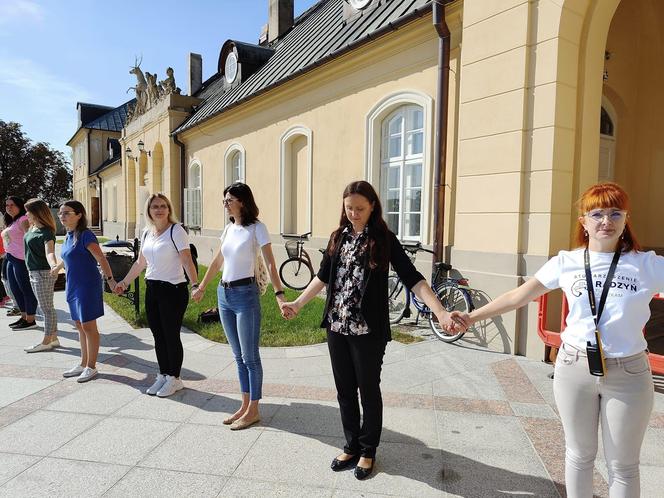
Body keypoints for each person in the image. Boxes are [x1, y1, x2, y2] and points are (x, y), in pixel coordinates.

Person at [448, 182, 664, 497]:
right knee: (579, 455)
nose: (606, 220)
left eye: (615, 213)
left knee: (624, 465)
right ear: (584, 222)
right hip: (574, 368)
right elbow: (518, 296)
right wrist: (472, 317)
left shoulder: (646, 264)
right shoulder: (567, 261)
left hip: (628, 373)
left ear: (626, 218)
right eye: (597, 213)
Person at [281, 180, 456, 480]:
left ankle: (368, 450)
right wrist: (297, 303)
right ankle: (351, 445)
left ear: (373, 206)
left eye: (360, 208)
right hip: (337, 327)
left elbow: (413, 277)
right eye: (349, 208)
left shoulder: (383, 238)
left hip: (368, 332)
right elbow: (323, 277)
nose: (354, 213)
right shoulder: (339, 237)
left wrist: (438, 310)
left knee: (368, 391)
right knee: (344, 391)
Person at [192, 182, 287, 430]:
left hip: (246, 295)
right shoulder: (228, 229)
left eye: (229, 199)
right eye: (224, 199)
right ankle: (244, 405)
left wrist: (279, 294)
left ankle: (254, 410)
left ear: (242, 201)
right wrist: (202, 286)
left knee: (250, 357)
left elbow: (271, 263)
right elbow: (216, 262)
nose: (225, 203)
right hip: (224, 294)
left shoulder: (258, 229)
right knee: (237, 356)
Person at [115, 193, 198, 397]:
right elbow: (140, 263)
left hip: (173, 290)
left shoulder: (176, 231)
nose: (159, 210)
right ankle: (163, 374)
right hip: (152, 288)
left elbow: (187, 260)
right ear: (149, 211)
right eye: (155, 207)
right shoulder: (146, 233)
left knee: (171, 335)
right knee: (158, 335)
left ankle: (175, 378)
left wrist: (195, 284)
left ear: (169, 209)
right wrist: (124, 282)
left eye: (163, 206)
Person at [51, 201, 116, 383]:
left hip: (87, 285)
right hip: (72, 285)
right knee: (79, 325)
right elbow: (69, 256)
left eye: (66, 213)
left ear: (79, 215)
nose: (62, 216)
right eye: (60, 214)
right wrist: (57, 268)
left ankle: (91, 366)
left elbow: (101, 259)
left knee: (88, 326)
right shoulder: (69, 235)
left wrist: (110, 280)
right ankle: (83, 363)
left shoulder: (86, 235)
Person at [23, 199, 60, 352]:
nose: (26, 214)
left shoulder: (46, 232)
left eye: (28, 211)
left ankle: (46, 341)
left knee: (46, 309)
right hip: (33, 272)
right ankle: (54, 338)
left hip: (43, 273)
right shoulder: (32, 228)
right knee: (47, 307)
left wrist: (54, 265)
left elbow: (49, 252)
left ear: (36, 213)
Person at [2, 197, 38, 329]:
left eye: (12, 205)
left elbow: (29, 237)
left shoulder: (23, 219)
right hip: (10, 258)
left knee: (25, 289)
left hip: (21, 259)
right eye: (7, 205)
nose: (9, 207)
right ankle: (23, 317)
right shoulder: (12, 221)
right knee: (15, 290)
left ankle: (31, 320)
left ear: (19, 206)